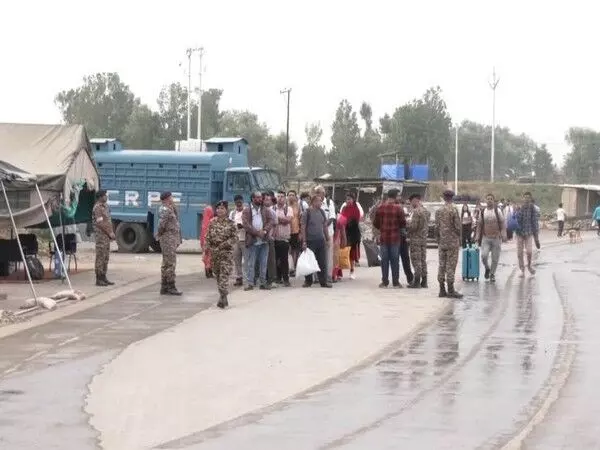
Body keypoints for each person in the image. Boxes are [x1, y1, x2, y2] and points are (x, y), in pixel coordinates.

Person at [206, 200, 238, 308]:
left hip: (226, 253)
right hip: (215, 254)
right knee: (218, 276)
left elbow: (234, 238)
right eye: (218, 208)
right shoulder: (212, 222)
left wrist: (224, 244)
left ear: (226, 210)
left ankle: (222, 297)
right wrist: (208, 249)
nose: (220, 210)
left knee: (224, 276)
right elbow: (208, 237)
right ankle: (223, 296)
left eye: (222, 208)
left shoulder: (231, 223)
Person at [373, 189, 405, 288]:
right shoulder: (399, 208)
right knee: (395, 260)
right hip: (395, 238)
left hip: (384, 238)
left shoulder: (380, 208)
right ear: (395, 196)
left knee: (384, 260)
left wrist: (382, 228)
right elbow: (403, 223)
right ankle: (395, 282)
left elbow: (376, 223)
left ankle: (385, 281)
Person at [242, 191, 273, 290]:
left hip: (264, 240)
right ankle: (250, 283)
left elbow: (271, 221)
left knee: (263, 263)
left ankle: (263, 283)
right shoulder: (247, 210)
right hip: (253, 240)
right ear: (253, 199)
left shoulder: (265, 209)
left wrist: (264, 231)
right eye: (258, 197)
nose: (260, 199)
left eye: (261, 197)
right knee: (251, 263)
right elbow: (246, 225)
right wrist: (256, 233)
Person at [435, 190, 463, 298]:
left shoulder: (439, 211)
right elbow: (457, 226)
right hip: (452, 242)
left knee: (442, 265)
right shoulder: (454, 209)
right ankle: (450, 290)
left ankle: (442, 289)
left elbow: (436, 228)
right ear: (452, 197)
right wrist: (459, 237)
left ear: (443, 197)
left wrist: (438, 238)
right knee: (450, 265)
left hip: (442, 242)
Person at [301, 194, 332, 288]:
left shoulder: (322, 212)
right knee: (309, 262)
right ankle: (308, 281)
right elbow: (303, 227)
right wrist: (304, 241)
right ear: (313, 202)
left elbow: (325, 226)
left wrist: (327, 239)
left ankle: (323, 281)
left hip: (321, 240)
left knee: (322, 262)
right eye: (318, 201)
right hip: (310, 241)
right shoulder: (307, 212)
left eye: (321, 201)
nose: (320, 203)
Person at [475, 193, 506, 283]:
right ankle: (487, 268)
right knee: (484, 256)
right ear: (485, 200)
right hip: (486, 238)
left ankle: (492, 274)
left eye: (491, 199)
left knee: (495, 258)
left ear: (493, 200)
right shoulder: (482, 211)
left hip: (496, 238)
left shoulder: (498, 211)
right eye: (488, 199)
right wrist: (477, 236)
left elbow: (502, 223)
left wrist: (503, 233)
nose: (489, 200)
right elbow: (479, 225)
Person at [156, 191, 182, 295]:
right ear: (167, 198)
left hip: (171, 237)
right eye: (171, 197)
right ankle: (171, 286)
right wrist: (160, 234)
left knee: (167, 262)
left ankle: (164, 286)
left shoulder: (169, 208)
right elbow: (161, 224)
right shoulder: (165, 209)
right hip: (168, 238)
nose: (172, 199)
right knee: (170, 263)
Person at [92, 190, 116, 286]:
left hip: (106, 235)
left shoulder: (105, 207)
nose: (106, 197)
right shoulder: (97, 208)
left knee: (106, 257)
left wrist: (111, 232)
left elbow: (108, 221)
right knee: (100, 256)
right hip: (101, 235)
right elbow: (100, 223)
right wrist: (110, 233)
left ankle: (104, 277)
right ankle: (99, 278)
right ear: (100, 197)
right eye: (104, 195)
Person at [407, 193, 429, 288]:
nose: (411, 204)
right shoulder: (426, 211)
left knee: (416, 260)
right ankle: (424, 281)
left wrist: (408, 225)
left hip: (416, 239)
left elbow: (414, 227)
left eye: (411, 202)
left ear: (415, 200)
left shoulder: (416, 212)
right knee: (423, 259)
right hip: (423, 239)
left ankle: (416, 282)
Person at [515, 191, 538, 277]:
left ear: (530, 198)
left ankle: (529, 266)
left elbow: (535, 222)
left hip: (528, 233)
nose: (527, 199)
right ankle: (522, 269)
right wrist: (520, 210)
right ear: (523, 198)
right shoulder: (519, 207)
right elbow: (517, 219)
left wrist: (536, 237)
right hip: (519, 233)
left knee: (529, 251)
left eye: (528, 197)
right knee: (519, 253)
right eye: (525, 197)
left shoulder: (532, 208)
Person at [274, 191, 294, 286]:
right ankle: (278, 278)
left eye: (282, 196)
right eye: (278, 196)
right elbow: (272, 221)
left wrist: (277, 219)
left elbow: (288, 220)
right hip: (274, 238)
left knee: (284, 260)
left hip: (285, 238)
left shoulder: (288, 209)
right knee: (275, 259)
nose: (280, 198)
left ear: (285, 198)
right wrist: (282, 219)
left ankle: (286, 279)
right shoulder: (272, 208)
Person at [340, 193, 362, 279]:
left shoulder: (356, 209)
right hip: (344, 232)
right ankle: (339, 272)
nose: (348, 201)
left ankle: (352, 271)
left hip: (353, 234)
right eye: (347, 199)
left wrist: (347, 222)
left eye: (349, 199)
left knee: (352, 253)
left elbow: (356, 221)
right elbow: (341, 218)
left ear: (353, 200)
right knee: (342, 252)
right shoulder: (344, 208)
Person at [229, 195, 246, 286]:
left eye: (240, 202)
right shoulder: (232, 213)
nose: (238, 204)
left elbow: (250, 224)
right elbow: (230, 224)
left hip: (245, 239)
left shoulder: (246, 212)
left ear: (242, 202)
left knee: (247, 260)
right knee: (237, 260)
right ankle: (239, 277)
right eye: (237, 202)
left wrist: (243, 226)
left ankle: (248, 278)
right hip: (236, 239)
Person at [263, 192, 278, 286]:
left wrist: (272, 236)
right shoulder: (259, 210)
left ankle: (271, 279)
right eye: (265, 199)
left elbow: (275, 225)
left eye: (269, 199)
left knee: (270, 260)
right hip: (260, 238)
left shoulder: (271, 211)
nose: (267, 201)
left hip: (269, 238)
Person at [287, 190, 302, 276]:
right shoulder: (285, 206)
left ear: (296, 197)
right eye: (289, 195)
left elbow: (300, 220)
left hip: (295, 231)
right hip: (286, 231)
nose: (291, 197)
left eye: (293, 195)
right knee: (287, 250)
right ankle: (288, 267)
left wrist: (300, 232)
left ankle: (293, 268)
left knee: (294, 250)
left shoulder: (298, 207)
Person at [332, 213, 348, 282]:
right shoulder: (340, 218)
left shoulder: (340, 219)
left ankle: (334, 275)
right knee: (336, 258)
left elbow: (343, 231)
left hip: (335, 240)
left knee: (335, 258)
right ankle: (335, 275)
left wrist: (344, 241)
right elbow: (343, 232)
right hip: (335, 240)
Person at [200, 206, 214, 279]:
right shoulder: (210, 221)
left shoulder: (204, 221)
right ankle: (209, 272)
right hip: (208, 240)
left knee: (206, 255)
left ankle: (207, 271)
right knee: (210, 256)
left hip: (203, 240)